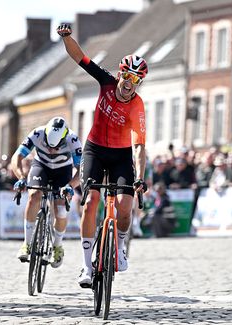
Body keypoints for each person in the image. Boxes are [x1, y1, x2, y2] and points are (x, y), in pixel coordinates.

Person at [57, 23, 148, 288]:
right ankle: (86, 267)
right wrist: (67, 37)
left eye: (136, 81)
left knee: (124, 207)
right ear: (120, 75)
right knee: (91, 201)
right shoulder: (106, 82)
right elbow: (79, 57)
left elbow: (140, 146)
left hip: (121, 155)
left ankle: (119, 247)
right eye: (127, 78)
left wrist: (140, 177)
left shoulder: (137, 105)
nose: (130, 85)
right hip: (95, 149)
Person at [11, 117, 82, 268]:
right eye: (48, 145)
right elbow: (16, 157)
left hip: (63, 170)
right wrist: (21, 177)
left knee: (61, 208)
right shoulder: (37, 134)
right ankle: (27, 243)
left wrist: (70, 186)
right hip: (41, 166)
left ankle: (57, 246)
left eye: (55, 147)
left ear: (64, 139)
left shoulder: (73, 139)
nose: (51, 150)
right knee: (34, 196)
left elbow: (81, 170)